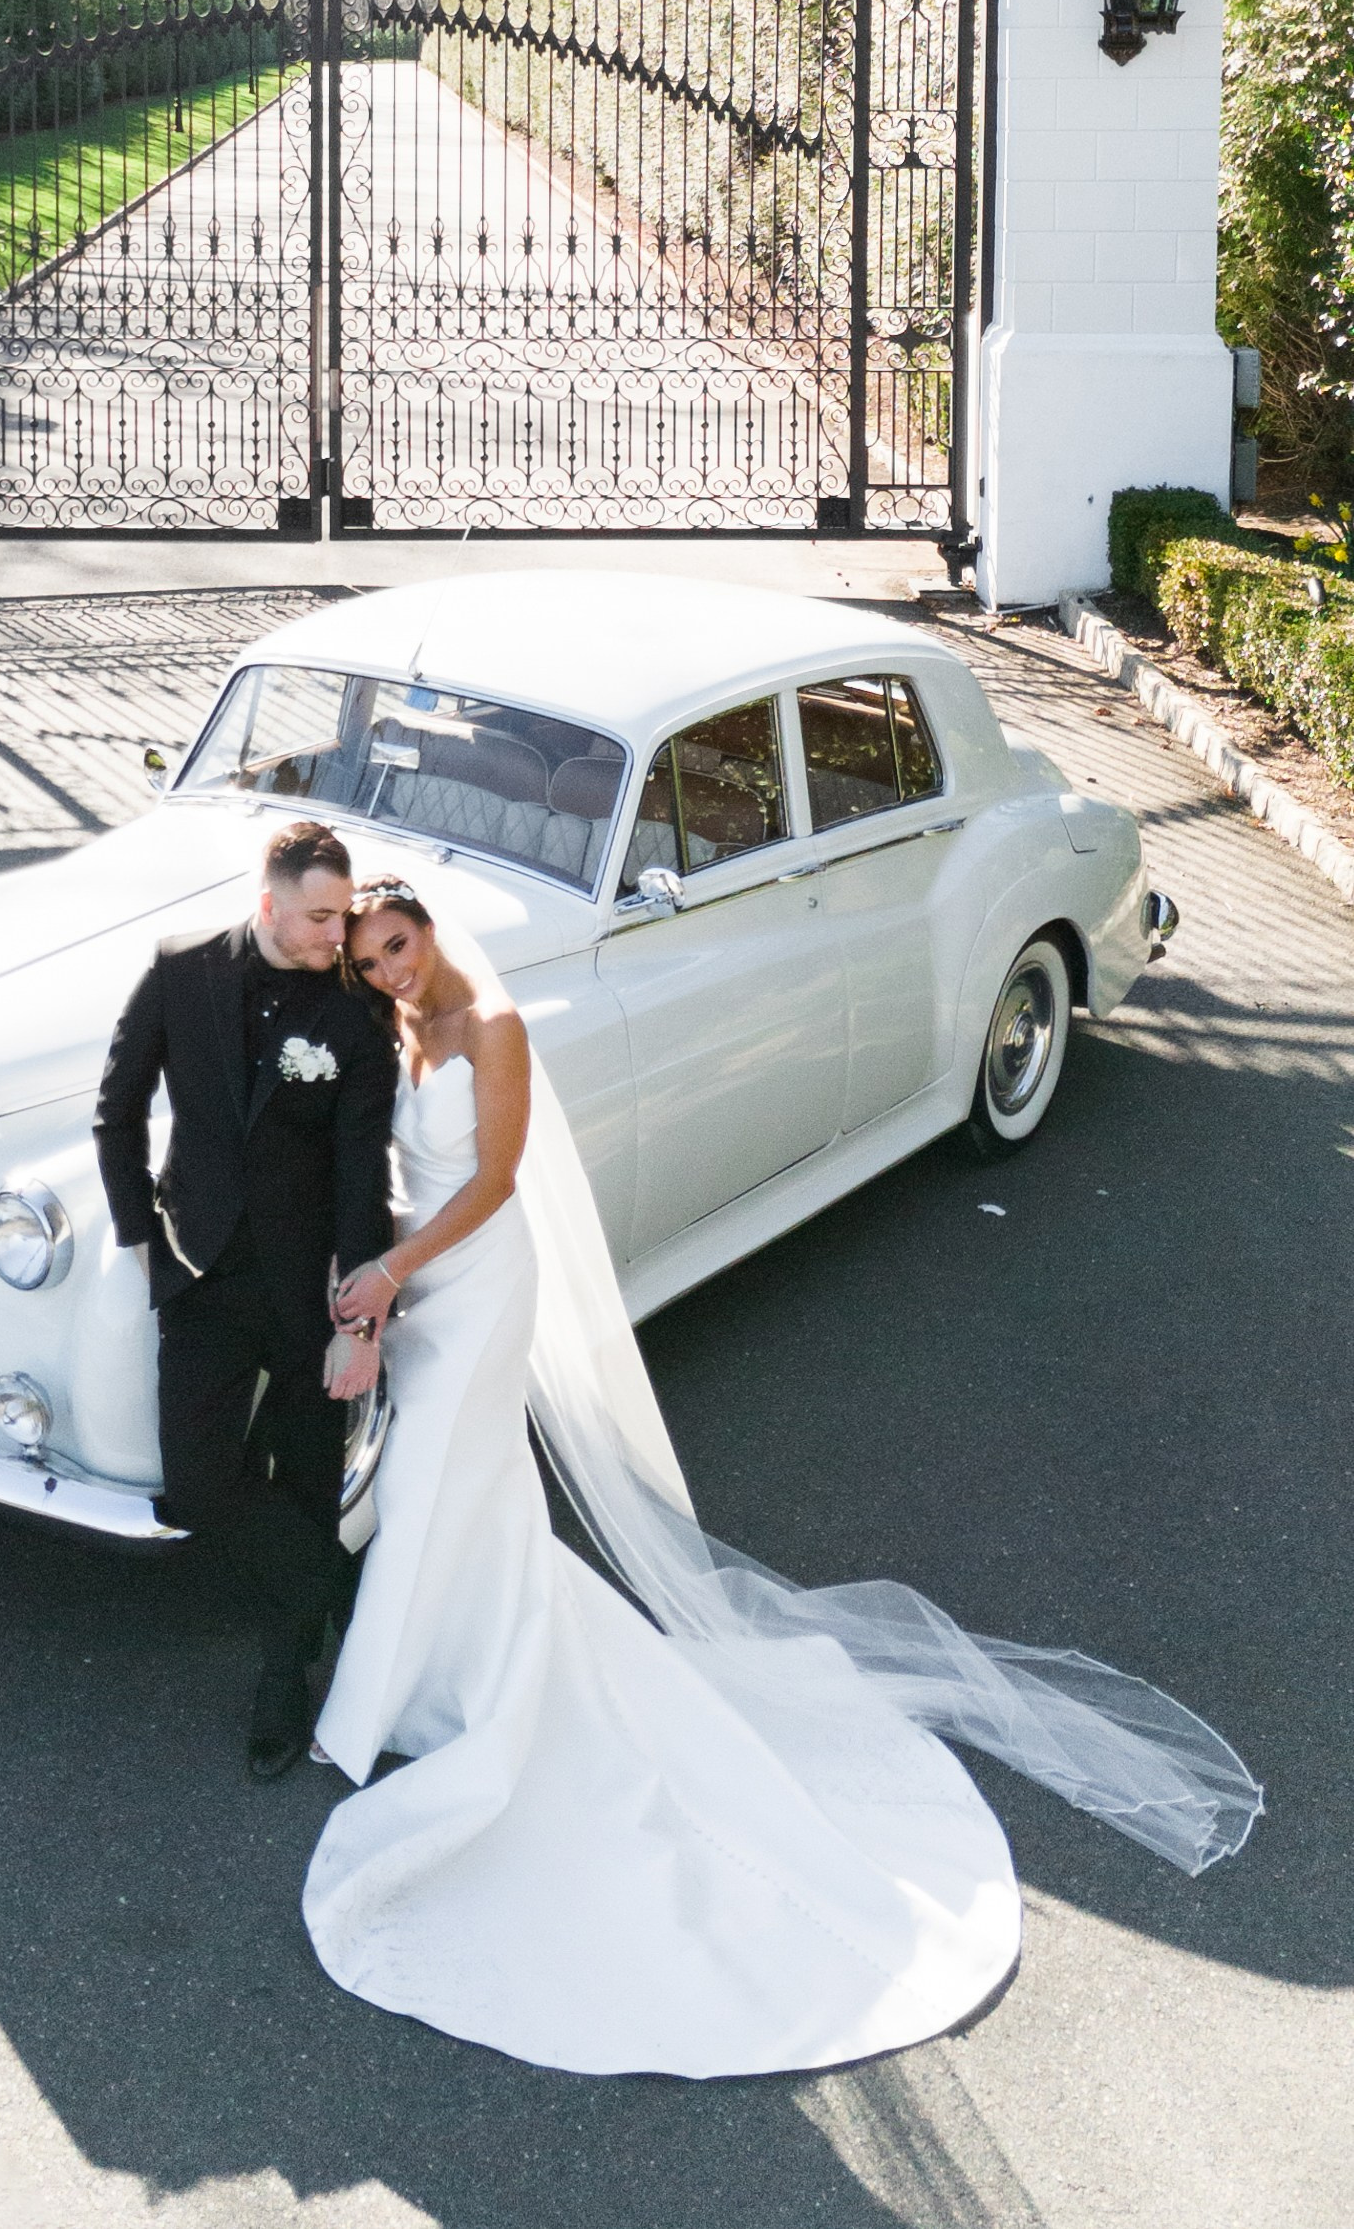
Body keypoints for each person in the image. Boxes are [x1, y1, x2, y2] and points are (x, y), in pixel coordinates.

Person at [300, 876, 1261, 2078]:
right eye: (374, 957)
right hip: (420, 1287)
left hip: (479, 1286)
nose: (390, 968)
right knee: (471, 1489)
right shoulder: (399, 1024)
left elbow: (493, 1181)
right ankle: (455, 1672)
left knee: (448, 1466)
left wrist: (391, 1269)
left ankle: (413, 1693)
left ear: (432, 932)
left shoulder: (494, 1030)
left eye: (400, 946)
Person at [93, 818, 397, 1781]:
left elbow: (361, 1169)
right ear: (267, 902)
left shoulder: (355, 1016)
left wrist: (357, 1319)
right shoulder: (180, 972)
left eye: (341, 917)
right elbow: (117, 1109)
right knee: (194, 1480)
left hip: (308, 1288)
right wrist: (143, 1238)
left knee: (308, 1480)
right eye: (316, 917)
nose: (332, 937)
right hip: (201, 1273)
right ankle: (333, 1589)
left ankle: (283, 1677)